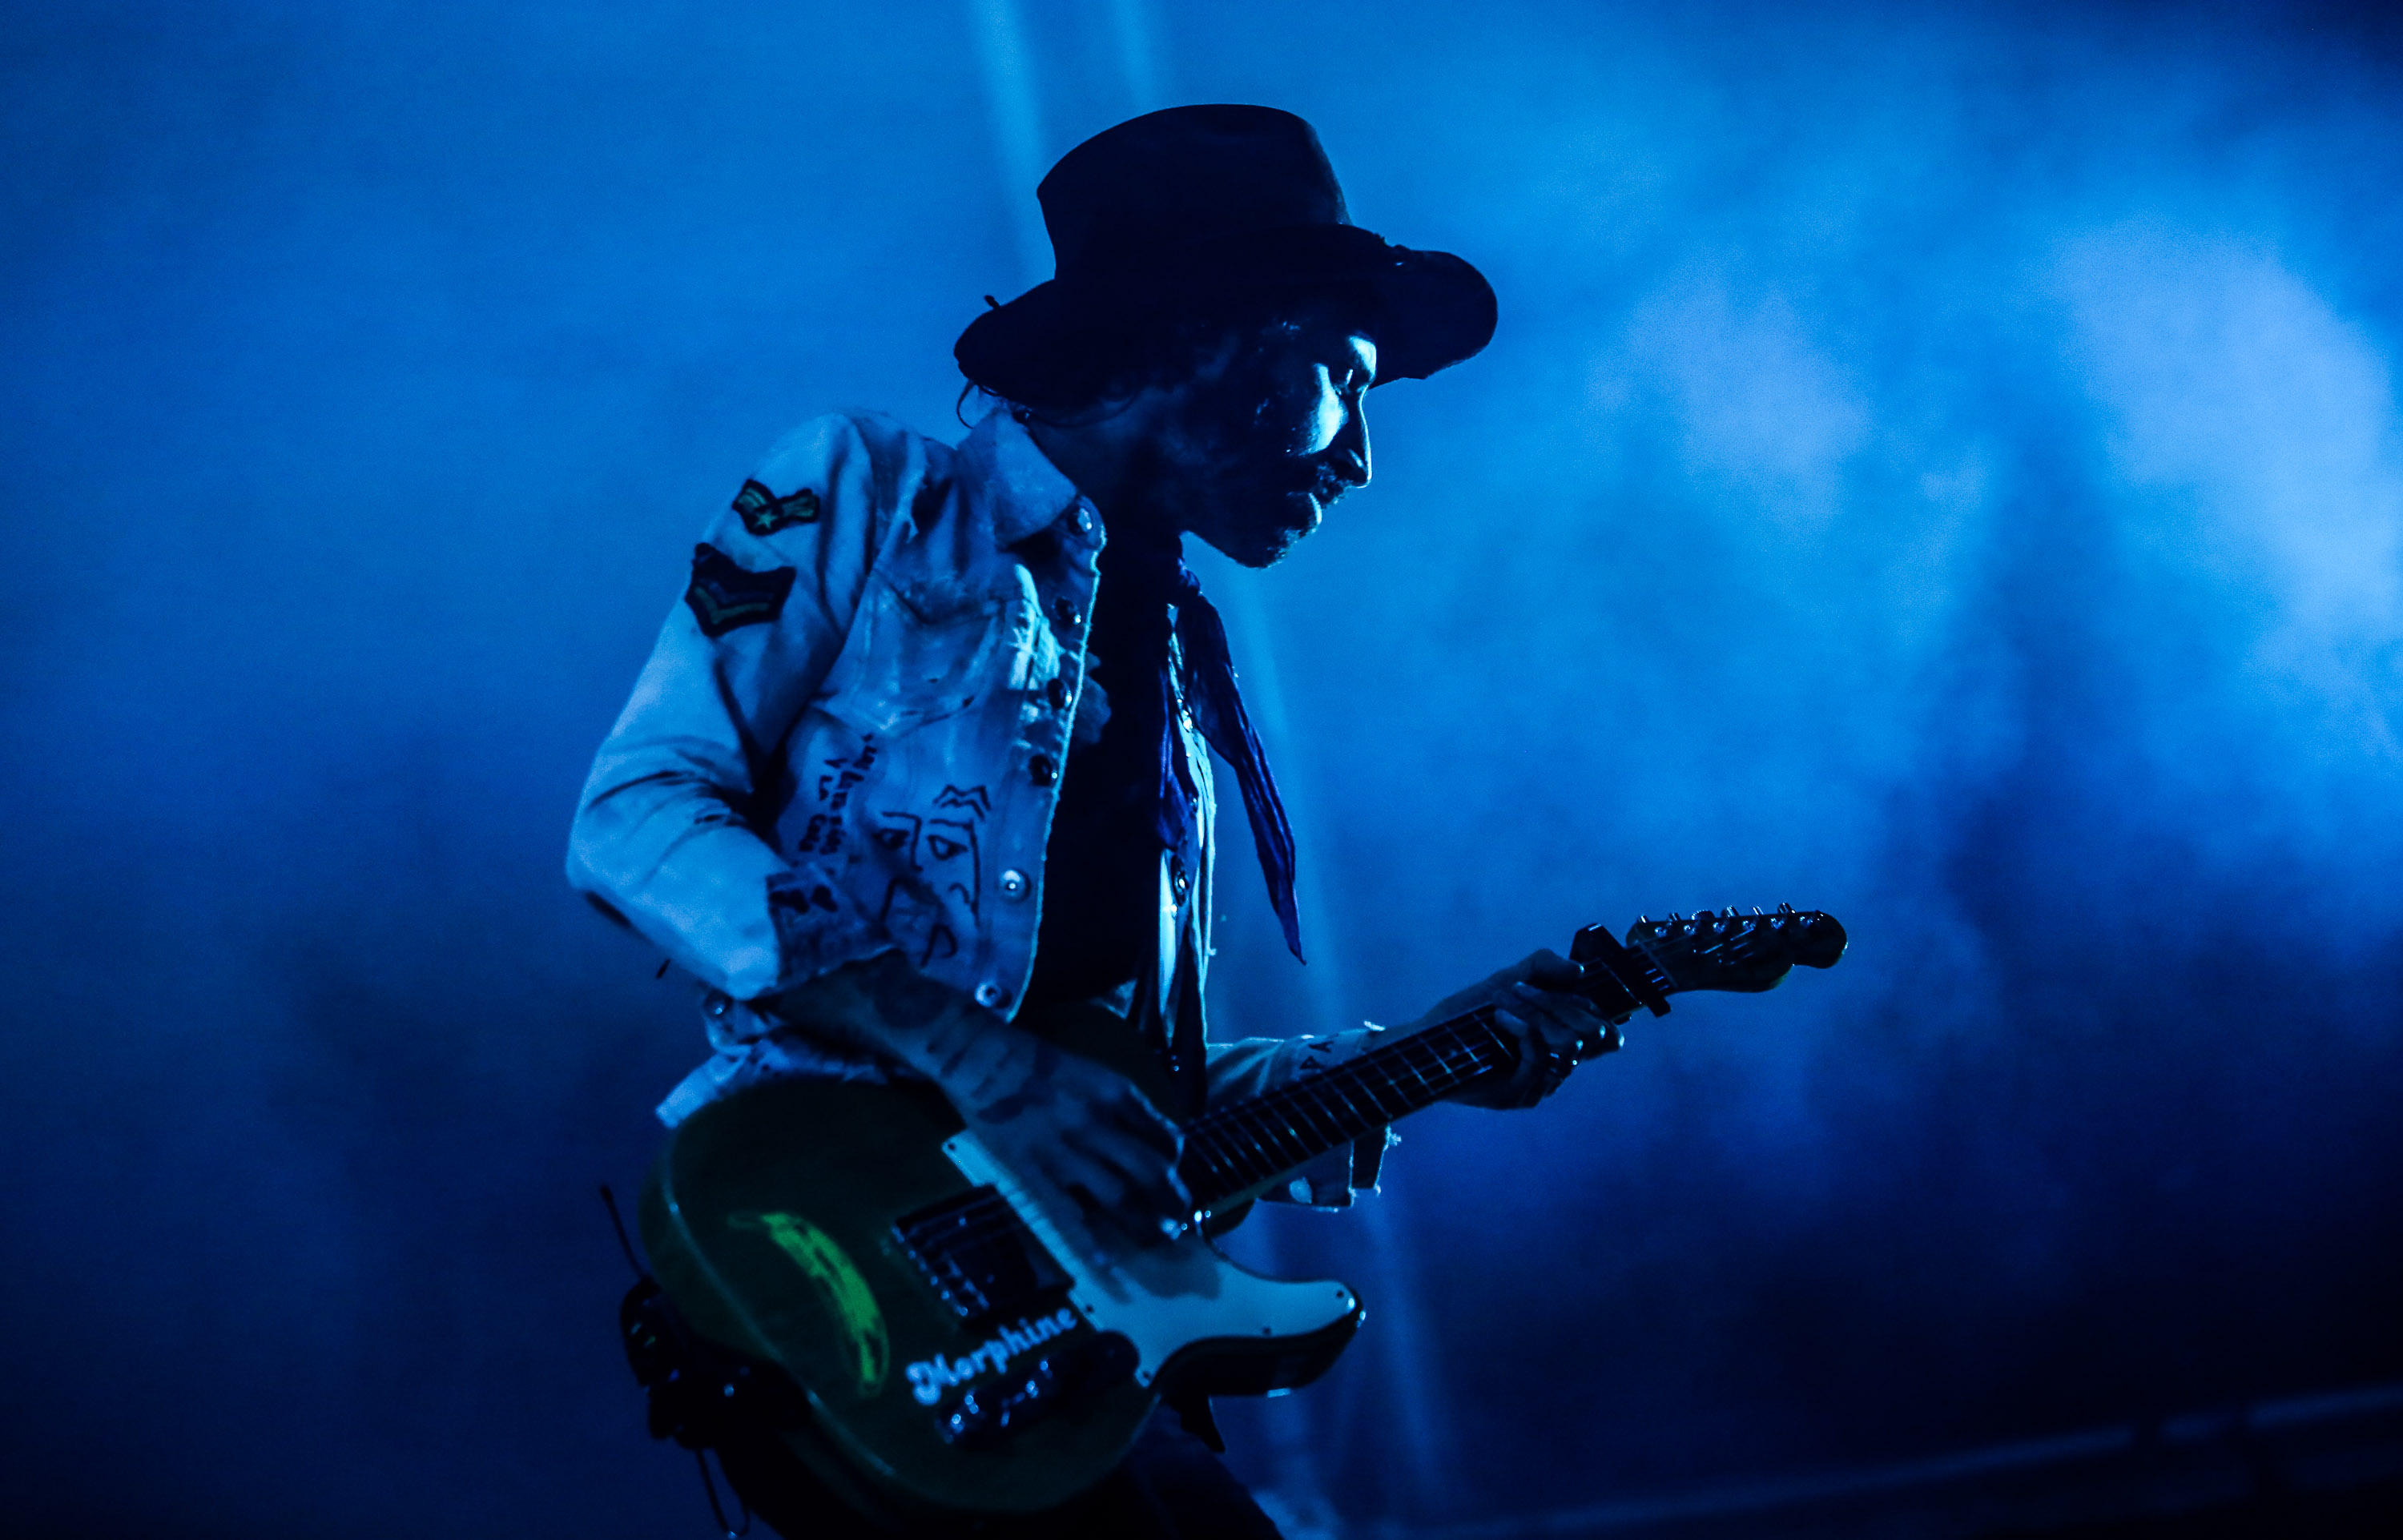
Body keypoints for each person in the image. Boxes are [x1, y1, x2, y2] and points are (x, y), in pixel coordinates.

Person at [568, 104, 1609, 1538]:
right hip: (844, 1264)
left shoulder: (1171, 672)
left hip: (1079, 1327)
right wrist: (979, 1063)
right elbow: (633, 815)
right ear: (1216, 342)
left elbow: (1116, 1092)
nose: (1359, 456)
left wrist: (1418, 1058)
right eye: (1344, 379)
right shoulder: (873, 493)